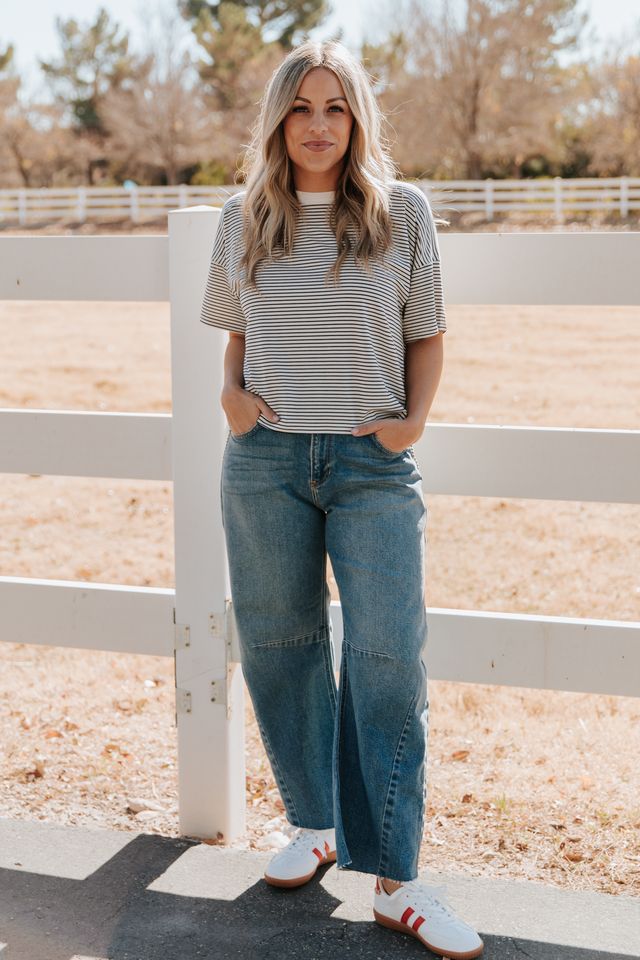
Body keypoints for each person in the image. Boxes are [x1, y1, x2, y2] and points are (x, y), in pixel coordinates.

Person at [200, 38, 484, 960]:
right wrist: (233, 400)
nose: (318, 126)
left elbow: (427, 334)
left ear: (357, 117)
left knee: (387, 654)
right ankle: (315, 821)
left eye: (335, 108)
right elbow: (236, 332)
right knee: (279, 643)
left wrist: (410, 425)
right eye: (300, 108)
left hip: (370, 469)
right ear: (277, 119)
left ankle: (396, 880)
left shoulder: (402, 213)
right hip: (265, 465)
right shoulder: (244, 217)